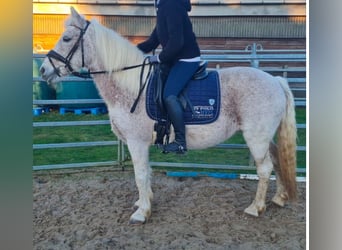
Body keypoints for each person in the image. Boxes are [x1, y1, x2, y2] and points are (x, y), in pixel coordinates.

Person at [137, 0, 201, 154]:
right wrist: (128, 51)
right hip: (174, 58)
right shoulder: (163, 7)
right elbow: (153, 41)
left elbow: (177, 42)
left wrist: (159, 58)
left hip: (187, 59)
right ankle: (162, 130)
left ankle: (180, 142)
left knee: (169, 95)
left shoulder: (172, 5)